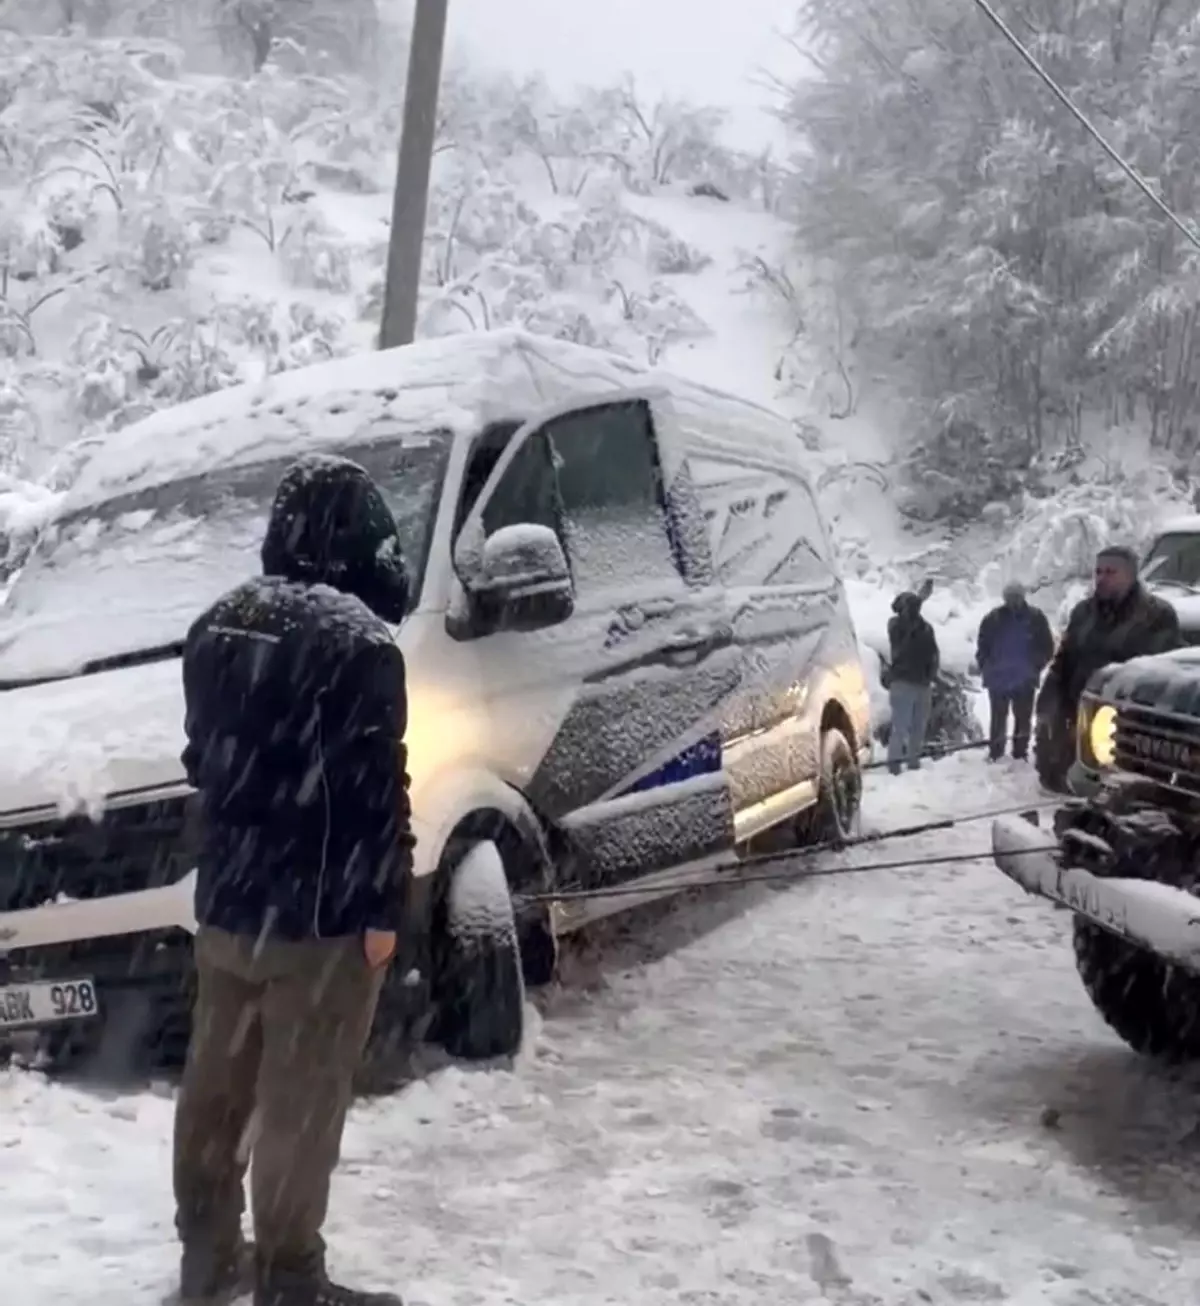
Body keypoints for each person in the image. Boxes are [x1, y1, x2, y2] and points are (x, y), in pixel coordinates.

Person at [173, 453, 415, 1306]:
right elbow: (374, 796)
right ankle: (290, 1277)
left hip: (229, 912)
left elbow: (203, 762)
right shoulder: (361, 648)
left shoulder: (214, 628)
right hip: (320, 925)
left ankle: (206, 1256)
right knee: (299, 1108)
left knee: (216, 1091)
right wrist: (384, 909)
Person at [1035, 543, 1182, 791]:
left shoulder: (1156, 616)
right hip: (1078, 712)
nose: (1101, 579)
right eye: (1098, 572)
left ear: (1131, 576)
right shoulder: (1083, 612)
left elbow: (1159, 680)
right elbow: (1063, 661)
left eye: (1110, 572)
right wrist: (1047, 707)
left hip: (1124, 725)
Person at [975, 581, 1055, 762]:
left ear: (1023, 597)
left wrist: (1035, 667)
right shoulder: (993, 619)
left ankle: (1020, 752)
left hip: (1025, 679)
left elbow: (1047, 646)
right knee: (998, 718)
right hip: (998, 679)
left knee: (1023, 718)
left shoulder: (1036, 618)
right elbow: (982, 647)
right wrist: (987, 668)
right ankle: (996, 752)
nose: (1013, 601)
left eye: (1016, 597)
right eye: (1010, 598)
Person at [885, 589, 940, 775]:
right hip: (902, 682)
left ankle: (913, 761)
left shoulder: (926, 628)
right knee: (900, 726)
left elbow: (934, 653)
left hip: (923, 683)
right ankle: (894, 763)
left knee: (919, 725)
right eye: (910, 607)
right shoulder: (896, 626)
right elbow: (904, 642)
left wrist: (932, 673)